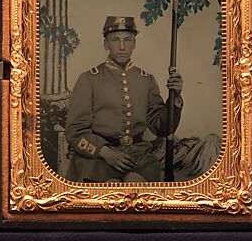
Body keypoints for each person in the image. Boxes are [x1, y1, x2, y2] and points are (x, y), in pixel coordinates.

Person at [65, 16, 183, 183]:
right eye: (115, 40)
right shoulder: (88, 79)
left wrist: (175, 96)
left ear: (134, 44)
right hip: (97, 161)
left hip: (138, 159)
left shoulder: (146, 79)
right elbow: (74, 132)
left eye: (127, 40)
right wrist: (105, 152)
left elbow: (162, 128)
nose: (122, 47)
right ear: (106, 44)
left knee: (136, 188)